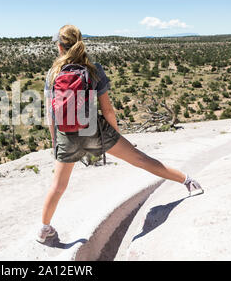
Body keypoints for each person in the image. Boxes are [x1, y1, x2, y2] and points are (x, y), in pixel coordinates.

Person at [38, 24, 203, 243]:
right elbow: (107, 109)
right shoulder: (94, 69)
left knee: (58, 187)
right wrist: (115, 136)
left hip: (66, 136)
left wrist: (55, 143)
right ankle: (188, 182)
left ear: (60, 47)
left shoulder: (53, 74)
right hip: (95, 130)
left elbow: (51, 115)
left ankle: (44, 229)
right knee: (141, 159)